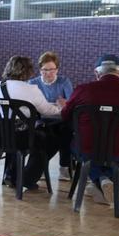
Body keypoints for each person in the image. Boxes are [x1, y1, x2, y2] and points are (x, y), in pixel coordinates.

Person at [60, 54, 119, 199]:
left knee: (82, 147)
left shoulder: (82, 90)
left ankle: (100, 180)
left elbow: (65, 115)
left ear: (97, 73)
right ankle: (105, 180)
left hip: (87, 148)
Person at [0, 56, 61, 191]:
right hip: (21, 138)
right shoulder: (31, 89)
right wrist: (61, 107)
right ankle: (27, 178)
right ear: (28, 71)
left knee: (13, 130)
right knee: (50, 140)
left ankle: (10, 174)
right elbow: (49, 111)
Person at [28, 51, 74, 180]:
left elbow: (71, 104)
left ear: (57, 69)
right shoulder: (33, 83)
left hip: (61, 119)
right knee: (40, 135)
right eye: (45, 70)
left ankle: (64, 167)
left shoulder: (64, 81)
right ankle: (39, 167)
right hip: (42, 119)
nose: (48, 73)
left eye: (52, 70)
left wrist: (66, 103)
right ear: (40, 69)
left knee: (67, 132)